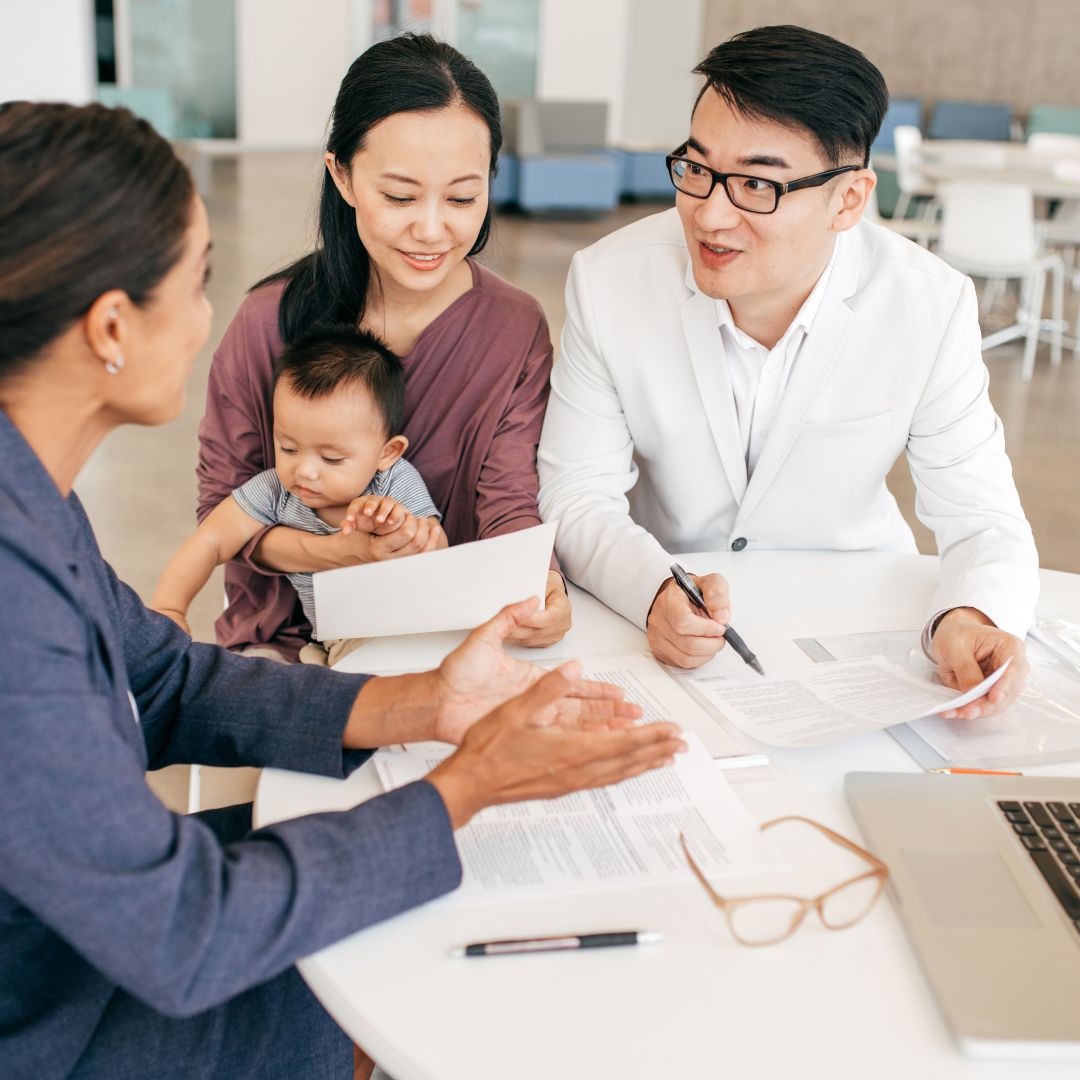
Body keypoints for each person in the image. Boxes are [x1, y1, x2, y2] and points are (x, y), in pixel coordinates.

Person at [0, 101, 685, 1080]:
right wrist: (467, 785)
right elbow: (180, 934)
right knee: (406, 951)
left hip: (91, 936)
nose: (210, 318)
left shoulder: (29, 495)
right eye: (195, 283)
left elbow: (160, 678)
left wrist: (424, 702)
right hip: (60, 1021)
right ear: (111, 323)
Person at [538, 24, 1039, 719]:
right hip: (682, 619)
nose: (710, 215)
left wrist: (970, 613)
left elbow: (983, 518)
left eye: (756, 184)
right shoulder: (609, 280)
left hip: (859, 616)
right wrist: (652, 588)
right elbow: (575, 492)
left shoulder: (928, 303)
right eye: (697, 168)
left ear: (849, 201)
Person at [199, 33, 571, 662]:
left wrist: (543, 581)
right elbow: (223, 513)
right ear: (341, 176)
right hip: (287, 638)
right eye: (399, 197)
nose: (431, 229)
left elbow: (508, 500)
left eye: (462, 197)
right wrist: (343, 553)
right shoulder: (268, 323)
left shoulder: (515, 327)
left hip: (443, 631)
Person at [153, 324, 442, 667]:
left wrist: (396, 526)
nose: (304, 471)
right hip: (338, 642)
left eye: (331, 458)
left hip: (410, 631)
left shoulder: (392, 482)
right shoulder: (275, 490)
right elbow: (211, 540)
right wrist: (168, 608)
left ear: (387, 453)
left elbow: (439, 554)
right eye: (288, 448)